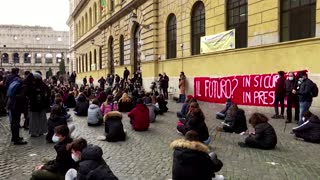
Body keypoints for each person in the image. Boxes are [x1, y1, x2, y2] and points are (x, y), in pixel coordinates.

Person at [6, 68, 28, 145]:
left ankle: (14, 137)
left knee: (13, 122)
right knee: (16, 122)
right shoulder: (22, 84)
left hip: (11, 102)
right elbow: (21, 96)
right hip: (16, 105)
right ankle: (16, 140)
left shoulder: (15, 81)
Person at [29, 72, 50, 137]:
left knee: (35, 119)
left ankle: (35, 132)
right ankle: (40, 131)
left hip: (35, 105)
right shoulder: (43, 85)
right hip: (40, 105)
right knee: (40, 118)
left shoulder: (33, 86)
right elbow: (48, 94)